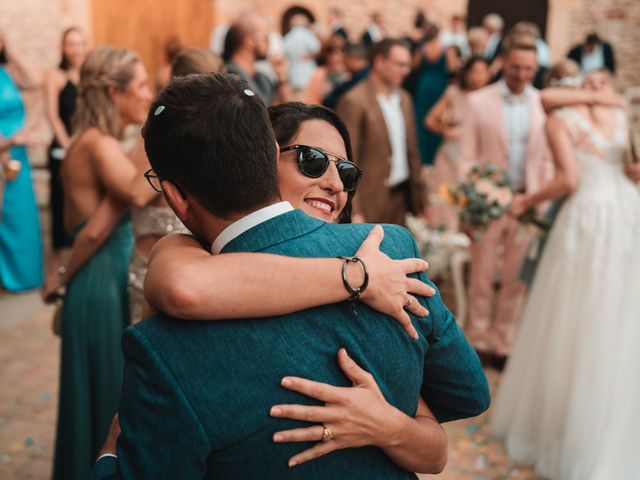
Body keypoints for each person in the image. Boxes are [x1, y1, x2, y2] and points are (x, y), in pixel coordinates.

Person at [92, 73, 489, 479]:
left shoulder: (165, 347)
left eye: (347, 173)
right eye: (311, 160)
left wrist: (109, 452)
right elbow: (468, 393)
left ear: (173, 195)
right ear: (270, 152)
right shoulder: (389, 251)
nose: (334, 184)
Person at [492, 63, 640, 480]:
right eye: (589, 84)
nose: (596, 90)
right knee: (581, 316)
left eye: (602, 83)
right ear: (578, 90)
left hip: (618, 219)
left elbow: (596, 173)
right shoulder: (568, 117)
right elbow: (568, 176)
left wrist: (524, 202)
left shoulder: (618, 118)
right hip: (598, 221)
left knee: (615, 315)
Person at [49, 46, 153, 480]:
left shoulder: (100, 142)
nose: (148, 95)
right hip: (98, 280)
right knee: (106, 394)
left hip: (101, 276)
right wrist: (159, 130)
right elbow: (136, 192)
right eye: (143, 86)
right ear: (114, 92)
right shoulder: (96, 142)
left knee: (99, 392)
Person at [458, 34, 553, 368]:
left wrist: (538, 197)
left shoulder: (543, 103)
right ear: (503, 63)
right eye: (516, 67)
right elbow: (466, 157)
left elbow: (548, 158)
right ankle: (477, 340)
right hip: (487, 203)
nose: (522, 74)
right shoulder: (478, 101)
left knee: (516, 279)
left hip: (528, 203)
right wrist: (473, 199)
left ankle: (504, 342)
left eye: (529, 68)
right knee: (482, 276)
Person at [337, 39, 426, 225]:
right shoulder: (354, 100)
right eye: (400, 64)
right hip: (370, 200)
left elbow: (412, 149)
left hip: (401, 197)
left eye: (408, 65)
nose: (406, 70)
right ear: (379, 62)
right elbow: (346, 160)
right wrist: (355, 209)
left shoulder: (404, 98)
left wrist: (421, 198)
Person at [425, 56, 491, 230]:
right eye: (475, 71)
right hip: (450, 156)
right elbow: (430, 120)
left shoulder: (491, 98)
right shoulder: (454, 93)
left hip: (476, 159)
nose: (479, 76)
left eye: (483, 72)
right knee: (446, 205)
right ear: (467, 73)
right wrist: (446, 131)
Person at [0, 29, 44, 292]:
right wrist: (11, 141)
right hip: (5, 150)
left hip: (18, 155)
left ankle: (25, 276)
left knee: (22, 217)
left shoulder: (6, 70)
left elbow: (36, 79)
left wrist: (10, 48)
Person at [44, 26, 88, 272]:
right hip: (62, 150)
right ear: (63, 47)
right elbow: (53, 116)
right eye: (71, 44)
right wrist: (69, 147)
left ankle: (79, 263)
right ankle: (56, 270)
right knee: (60, 207)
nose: (75, 49)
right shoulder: (55, 76)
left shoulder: (91, 77)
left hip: (85, 150)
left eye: (80, 43)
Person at [404, 24, 455, 166]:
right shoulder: (446, 48)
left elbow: (414, 66)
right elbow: (452, 68)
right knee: (438, 118)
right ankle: (435, 156)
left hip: (424, 85)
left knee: (422, 120)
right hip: (440, 86)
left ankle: (423, 156)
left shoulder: (423, 48)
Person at [223, 13, 292, 106]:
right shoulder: (226, 77)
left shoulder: (263, 78)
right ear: (249, 41)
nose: (269, 44)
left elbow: (287, 111)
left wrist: (282, 77)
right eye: (266, 38)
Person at [303, 36, 348, 105]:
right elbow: (311, 101)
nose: (338, 56)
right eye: (334, 53)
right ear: (326, 55)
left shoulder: (348, 74)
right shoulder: (319, 74)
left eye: (341, 51)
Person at [283, 13, 320, 95]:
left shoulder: (288, 36)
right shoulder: (307, 35)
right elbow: (317, 48)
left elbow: (283, 52)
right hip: (308, 73)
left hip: (292, 74)